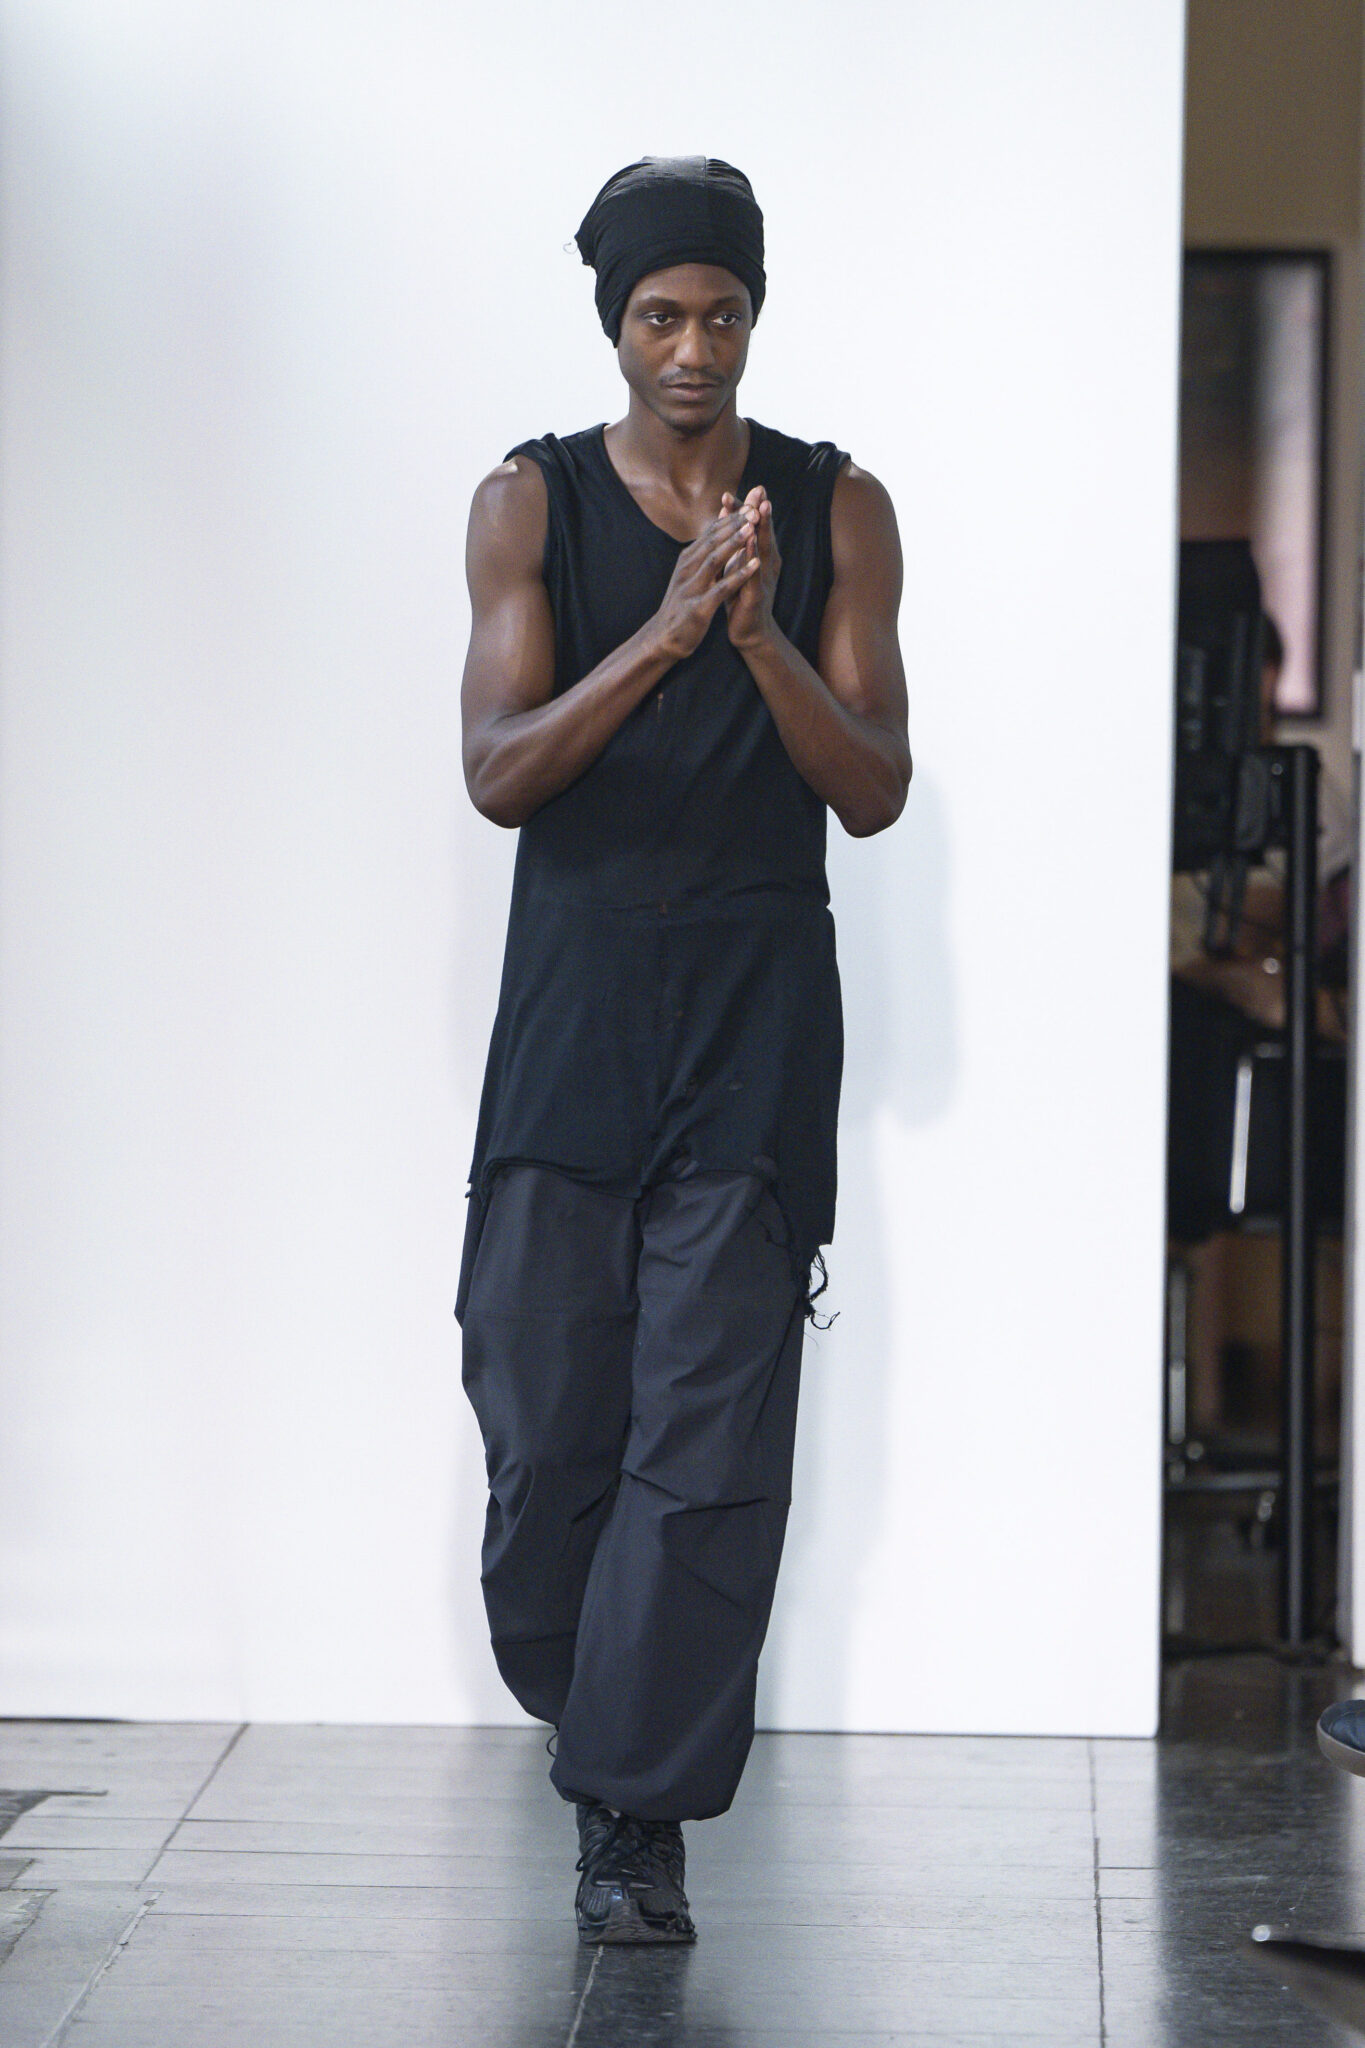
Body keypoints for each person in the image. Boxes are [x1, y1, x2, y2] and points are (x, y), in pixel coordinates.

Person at [456, 156, 910, 1945]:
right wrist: (663, 634)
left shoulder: (837, 505)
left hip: (749, 1019)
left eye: (722, 312)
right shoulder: (529, 500)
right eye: (662, 315)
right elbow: (499, 773)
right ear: (616, 323)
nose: (694, 346)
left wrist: (760, 637)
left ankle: (633, 1823)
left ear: (753, 316)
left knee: (707, 1441)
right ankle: (598, 1714)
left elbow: (871, 787)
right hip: (574, 1014)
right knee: (542, 1427)